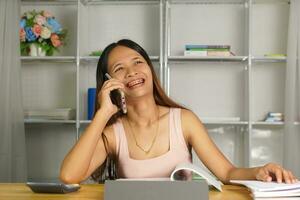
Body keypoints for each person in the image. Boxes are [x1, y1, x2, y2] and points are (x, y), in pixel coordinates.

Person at [60, 39, 298, 184]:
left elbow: (226, 172)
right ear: (109, 82)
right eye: (119, 68)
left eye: (138, 62)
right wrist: (102, 113)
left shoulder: (184, 120)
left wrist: (259, 171)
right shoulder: (112, 133)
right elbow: (69, 176)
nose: (132, 71)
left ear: (150, 70)